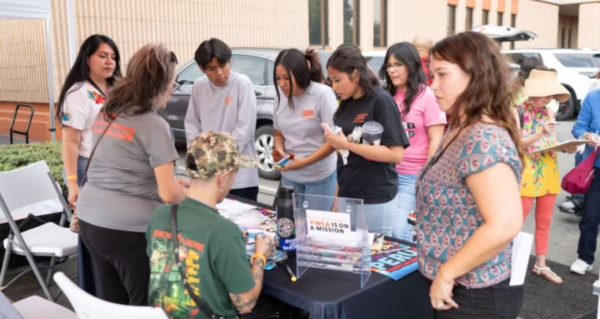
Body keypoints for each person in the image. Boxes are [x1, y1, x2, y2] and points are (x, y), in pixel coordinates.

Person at [417, 32, 524, 318]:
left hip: (475, 293)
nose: (433, 85)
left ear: (474, 76)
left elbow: (504, 224)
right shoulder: (460, 126)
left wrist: (447, 274)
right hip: (461, 287)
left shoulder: (482, 138)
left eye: (442, 75)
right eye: (432, 75)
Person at [76, 44, 187, 305]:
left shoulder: (109, 111)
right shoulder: (154, 124)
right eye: (173, 83)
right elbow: (169, 193)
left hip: (91, 220)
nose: (173, 89)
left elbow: (121, 165)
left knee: (112, 302)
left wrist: (170, 183)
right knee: (143, 305)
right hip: (127, 232)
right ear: (159, 85)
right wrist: (194, 195)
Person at [147, 132, 275, 318]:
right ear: (222, 178)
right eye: (234, 175)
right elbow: (245, 303)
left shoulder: (160, 216)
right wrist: (260, 257)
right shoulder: (224, 232)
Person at [56, 34, 121, 294]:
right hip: (87, 169)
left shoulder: (117, 88)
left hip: (114, 168)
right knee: (92, 235)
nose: (109, 62)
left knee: (112, 233)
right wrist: (73, 183)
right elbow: (70, 142)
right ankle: (92, 291)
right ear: (87, 58)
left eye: (113, 57)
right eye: (102, 56)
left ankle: (111, 290)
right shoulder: (78, 93)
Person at [323, 45, 410, 236]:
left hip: (376, 198)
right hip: (348, 195)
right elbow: (344, 159)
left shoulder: (381, 100)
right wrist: (337, 202)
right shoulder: (345, 106)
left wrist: (347, 144)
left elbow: (396, 154)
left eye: (338, 80)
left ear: (355, 74)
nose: (334, 87)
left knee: (377, 258)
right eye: (331, 81)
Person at [380, 42, 446, 241]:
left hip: (413, 177)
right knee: (384, 232)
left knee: (400, 231)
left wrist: (426, 176)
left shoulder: (427, 96)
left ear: (411, 65)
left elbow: (436, 139)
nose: (392, 70)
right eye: (389, 65)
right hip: (386, 174)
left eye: (398, 64)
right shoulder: (386, 96)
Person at [519, 68, 577, 285]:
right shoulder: (518, 111)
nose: (546, 98)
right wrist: (540, 133)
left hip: (548, 170)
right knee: (516, 222)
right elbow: (519, 144)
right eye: (543, 93)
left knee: (545, 221)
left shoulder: (548, 112)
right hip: (526, 172)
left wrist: (567, 149)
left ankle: (541, 264)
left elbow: (550, 143)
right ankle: (506, 263)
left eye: (549, 94)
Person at [184, 38, 259, 201]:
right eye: (211, 68)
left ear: (230, 61)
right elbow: (191, 124)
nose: (219, 73)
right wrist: (201, 156)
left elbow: (244, 130)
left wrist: (216, 160)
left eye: (223, 66)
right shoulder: (199, 86)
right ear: (202, 69)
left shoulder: (242, 84)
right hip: (207, 176)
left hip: (240, 179)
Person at [272, 48, 338, 210]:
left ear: (300, 73)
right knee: (292, 227)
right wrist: (280, 150)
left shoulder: (323, 95)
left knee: (315, 231)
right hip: (289, 176)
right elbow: (279, 132)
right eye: (278, 78)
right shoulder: (279, 97)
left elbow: (334, 141)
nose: (281, 84)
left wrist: (302, 162)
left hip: (319, 177)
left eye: (287, 78)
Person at [570, 87, 600, 275]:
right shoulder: (593, 97)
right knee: (590, 215)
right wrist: (587, 136)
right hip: (596, 167)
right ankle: (584, 257)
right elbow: (578, 128)